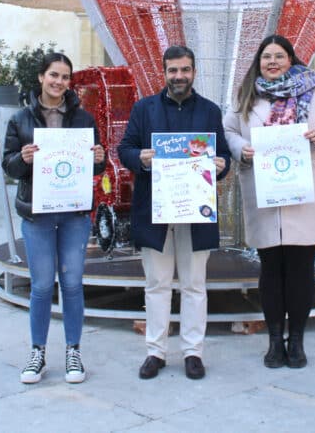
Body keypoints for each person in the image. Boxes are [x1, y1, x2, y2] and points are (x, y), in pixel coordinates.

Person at [223, 34, 315, 369]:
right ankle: (275, 340)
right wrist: (240, 149)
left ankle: (298, 340)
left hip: (305, 191)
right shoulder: (247, 92)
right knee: (271, 268)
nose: (272, 62)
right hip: (265, 193)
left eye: (279, 56)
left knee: (301, 268)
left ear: (291, 59)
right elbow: (230, 130)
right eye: (266, 57)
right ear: (258, 61)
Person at [118, 45, 230, 380]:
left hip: (195, 211)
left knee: (195, 284)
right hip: (155, 211)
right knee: (157, 284)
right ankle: (156, 352)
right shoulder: (144, 109)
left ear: (194, 72)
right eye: (173, 70)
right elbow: (125, 149)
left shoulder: (210, 111)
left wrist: (221, 166)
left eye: (184, 70)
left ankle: (193, 352)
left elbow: (221, 155)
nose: (178, 76)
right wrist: (141, 158)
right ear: (163, 72)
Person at [2, 52, 106, 385]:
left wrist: (100, 158)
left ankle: (73, 351)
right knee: (42, 286)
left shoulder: (84, 119)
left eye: (64, 77)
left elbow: (95, 165)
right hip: (38, 214)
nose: (59, 82)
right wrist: (23, 157)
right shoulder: (20, 119)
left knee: (73, 284)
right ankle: (38, 352)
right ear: (41, 77)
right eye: (53, 75)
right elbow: (8, 166)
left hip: (74, 212)